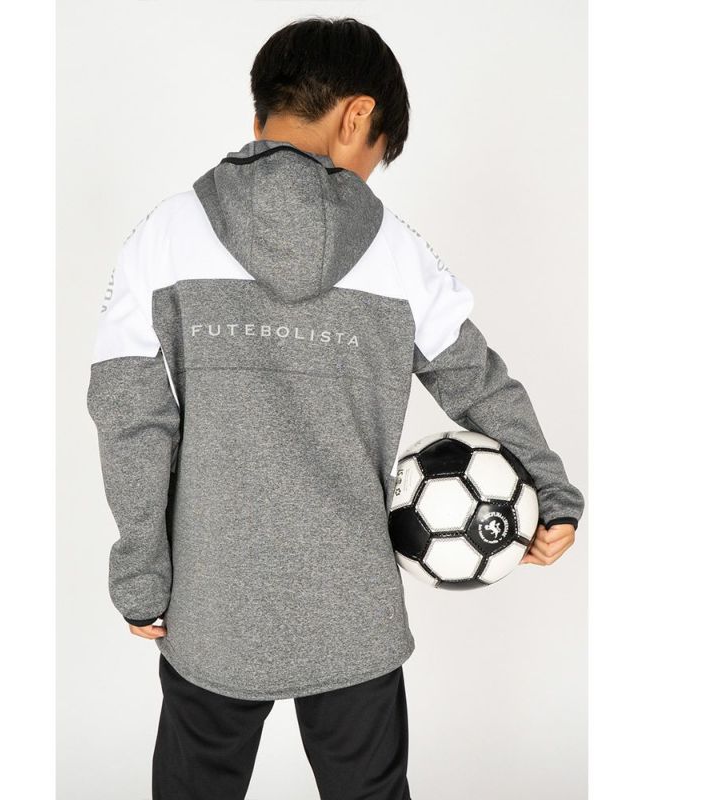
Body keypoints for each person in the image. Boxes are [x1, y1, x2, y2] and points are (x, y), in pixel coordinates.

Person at [87, 16, 584, 800]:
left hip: (214, 607)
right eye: (376, 157)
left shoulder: (164, 236)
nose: (366, 180)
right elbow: (479, 383)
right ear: (357, 117)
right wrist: (550, 490)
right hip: (353, 611)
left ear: (262, 110)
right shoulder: (399, 253)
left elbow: (129, 417)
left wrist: (141, 576)